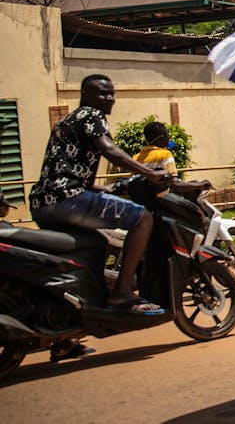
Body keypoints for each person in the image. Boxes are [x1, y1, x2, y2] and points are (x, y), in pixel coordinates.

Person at [29, 74, 170, 315]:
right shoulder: (91, 115)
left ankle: (74, 320)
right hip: (68, 200)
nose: (109, 98)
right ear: (85, 95)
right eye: (103, 93)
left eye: (112, 93)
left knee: (95, 243)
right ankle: (123, 292)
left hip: (44, 203)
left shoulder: (66, 122)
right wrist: (149, 173)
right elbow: (109, 150)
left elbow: (63, 169)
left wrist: (100, 189)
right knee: (142, 218)